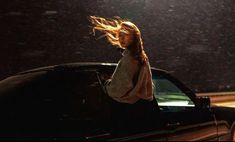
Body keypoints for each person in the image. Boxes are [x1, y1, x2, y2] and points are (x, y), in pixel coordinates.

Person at [90, 16, 156, 133]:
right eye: (119, 35)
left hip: (129, 113)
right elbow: (147, 86)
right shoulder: (142, 58)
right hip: (145, 111)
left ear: (134, 37)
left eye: (125, 35)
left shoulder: (129, 59)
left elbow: (119, 90)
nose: (121, 38)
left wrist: (106, 83)